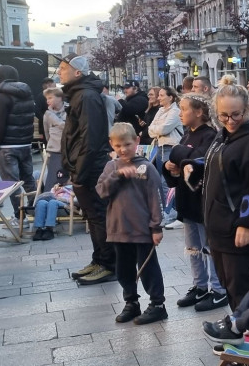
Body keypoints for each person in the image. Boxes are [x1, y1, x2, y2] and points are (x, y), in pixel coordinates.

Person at [185, 82, 249, 312]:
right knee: (228, 283)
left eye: (236, 115)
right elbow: (219, 167)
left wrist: (247, 224)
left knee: (239, 284)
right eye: (224, 115)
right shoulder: (223, 135)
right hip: (219, 225)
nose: (230, 121)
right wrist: (193, 166)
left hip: (235, 227)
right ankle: (241, 327)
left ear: (247, 110)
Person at [97, 123, 166, 324]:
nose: (123, 149)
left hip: (142, 229)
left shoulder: (146, 167)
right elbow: (101, 191)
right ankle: (131, 302)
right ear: (111, 145)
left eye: (127, 144)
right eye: (118, 146)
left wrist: (156, 227)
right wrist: (117, 176)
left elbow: (155, 198)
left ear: (136, 141)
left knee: (148, 268)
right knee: (124, 269)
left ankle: (157, 304)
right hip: (118, 229)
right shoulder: (111, 167)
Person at [166, 93, 225, 309]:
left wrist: (176, 155)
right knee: (193, 248)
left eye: (184, 109)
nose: (180, 113)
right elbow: (183, 162)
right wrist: (170, 168)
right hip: (187, 202)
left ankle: (218, 289)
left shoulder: (209, 135)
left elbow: (199, 161)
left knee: (209, 247)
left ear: (199, 112)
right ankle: (199, 286)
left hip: (202, 202)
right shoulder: (185, 135)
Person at [59, 56, 115, 284]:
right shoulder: (80, 93)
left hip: (91, 168)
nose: (60, 73)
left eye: (64, 69)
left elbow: (90, 139)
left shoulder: (87, 96)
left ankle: (109, 264)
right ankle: (99, 259)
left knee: (99, 217)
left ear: (78, 73)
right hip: (83, 166)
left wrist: (80, 173)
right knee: (92, 217)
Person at [0, 65, 36, 215]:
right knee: (28, 178)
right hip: (25, 143)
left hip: (7, 145)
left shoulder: (3, 97)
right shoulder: (27, 93)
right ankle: (37, 208)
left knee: (11, 184)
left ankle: (19, 216)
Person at [148, 87, 183, 166]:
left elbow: (164, 130)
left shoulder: (175, 111)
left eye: (161, 95)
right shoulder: (160, 111)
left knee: (166, 175)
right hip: (158, 146)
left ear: (170, 97)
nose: (158, 98)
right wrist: (157, 130)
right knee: (159, 173)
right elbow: (149, 130)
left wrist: (156, 129)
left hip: (170, 147)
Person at [42, 87, 67, 186]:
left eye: (50, 98)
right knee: (53, 179)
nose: (48, 101)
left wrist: (54, 119)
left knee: (67, 179)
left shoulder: (69, 110)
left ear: (60, 98)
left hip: (69, 151)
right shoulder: (47, 115)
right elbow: (46, 132)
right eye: (47, 99)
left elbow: (67, 127)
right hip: (54, 151)